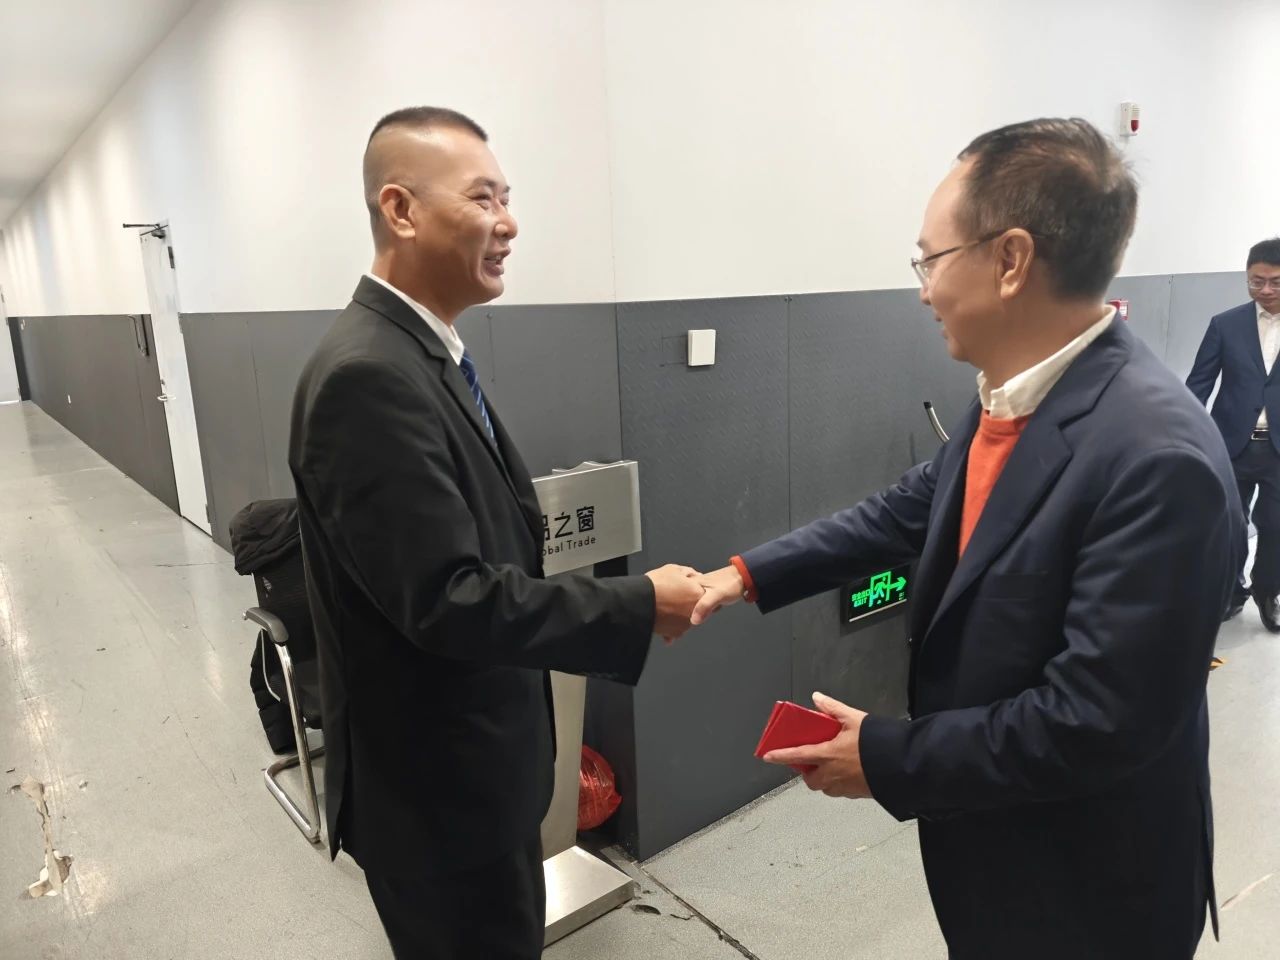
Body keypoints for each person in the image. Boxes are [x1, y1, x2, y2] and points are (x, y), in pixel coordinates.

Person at [691, 118, 1244, 960]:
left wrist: (887, 756)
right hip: (998, 844)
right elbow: (908, 509)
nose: (923, 292)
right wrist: (742, 575)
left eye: (931, 260)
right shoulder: (1020, 394)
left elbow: (1095, 722)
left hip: (1088, 889)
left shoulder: (1156, 458)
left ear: (1011, 259)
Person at [288, 106, 703, 960]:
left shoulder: (421, 355)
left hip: (477, 780)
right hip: (439, 804)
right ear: (401, 209)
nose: (508, 223)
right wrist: (636, 605)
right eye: (483, 199)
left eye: (507, 198)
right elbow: (448, 598)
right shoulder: (368, 377)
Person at [1186, 237, 1280, 629]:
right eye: (1256, 281)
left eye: (1275, 282)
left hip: (1277, 452)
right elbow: (1198, 385)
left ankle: (1267, 592)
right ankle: (1231, 591)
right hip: (1230, 446)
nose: (1265, 290)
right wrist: (1190, 438)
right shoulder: (1225, 325)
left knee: (1275, 526)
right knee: (1228, 525)